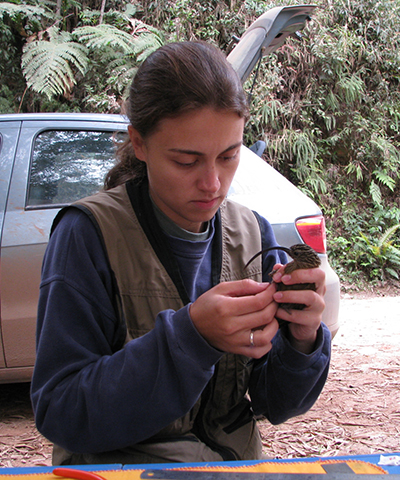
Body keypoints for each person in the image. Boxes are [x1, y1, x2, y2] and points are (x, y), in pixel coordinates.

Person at [31, 41, 331, 466]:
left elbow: (276, 403)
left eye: (228, 156)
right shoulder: (88, 235)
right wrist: (192, 338)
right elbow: (61, 411)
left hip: (229, 469)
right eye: (186, 161)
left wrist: (303, 339)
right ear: (139, 143)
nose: (212, 183)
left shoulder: (253, 234)